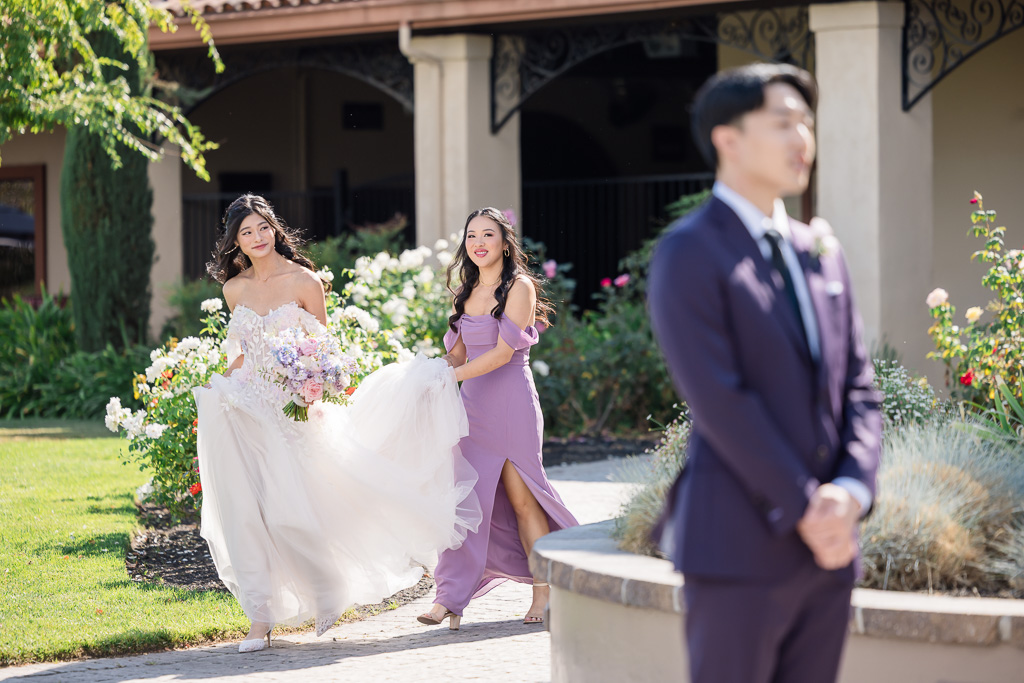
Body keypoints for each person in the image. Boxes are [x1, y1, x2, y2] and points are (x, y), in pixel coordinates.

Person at [647, 65, 881, 683]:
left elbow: (859, 389)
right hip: (737, 548)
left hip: (829, 554)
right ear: (728, 138)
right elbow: (720, 399)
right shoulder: (690, 250)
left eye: (807, 122)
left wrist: (850, 492)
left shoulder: (820, 252)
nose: (802, 138)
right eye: (782, 123)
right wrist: (806, 507)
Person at [193, 194, 480, 653]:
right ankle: (259, 619)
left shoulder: (304, 281)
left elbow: (323, 349)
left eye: (263, 227)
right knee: (245, 514)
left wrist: (314, 385)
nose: (258, 237)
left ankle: (326, 589)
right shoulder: (234, 289)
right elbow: (243, 356)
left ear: (275, 229)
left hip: (292, 413)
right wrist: (218, 384)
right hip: (245, 411)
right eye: (247, 232)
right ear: (236, 242)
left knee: (292, 514)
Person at [417, 207, 579, 629]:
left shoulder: (519, 287)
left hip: (510, 405)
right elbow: (457, 354)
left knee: (523, 500)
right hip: (470, 410)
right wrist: (425, 375)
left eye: (488, 234)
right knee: (465, 502)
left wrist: (450, 377)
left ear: (505, 243)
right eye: (471, 235)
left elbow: (503, 354)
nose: (478, 243)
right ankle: (449, 598)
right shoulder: (464, 292)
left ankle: (544, 591)